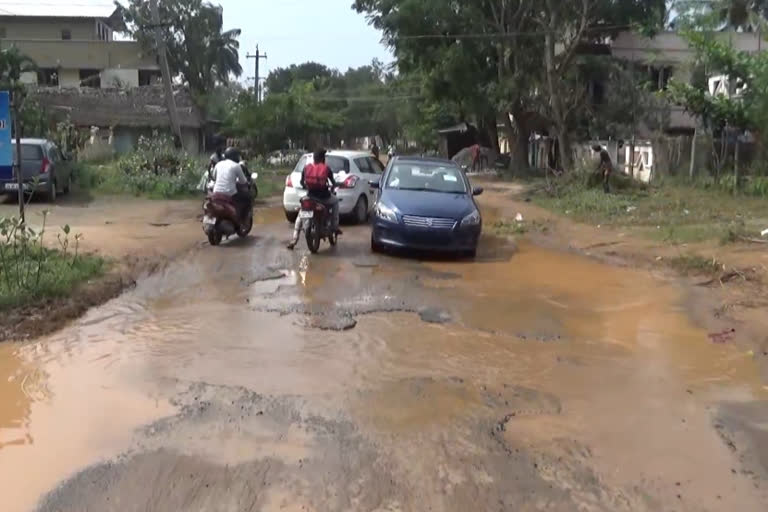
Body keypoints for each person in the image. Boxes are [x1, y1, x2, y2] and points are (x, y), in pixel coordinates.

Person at [287, 148, 341, 250]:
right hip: (324, 198)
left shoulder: (306, 168)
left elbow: (302, 182)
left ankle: (294, 240)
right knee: (335, 202)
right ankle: (335, 227)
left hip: (310, 197)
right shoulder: (326, 169)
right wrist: (334, 185)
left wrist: (307, 186)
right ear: (322, 159)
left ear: (314, 159)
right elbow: (333, 183)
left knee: (301, 214)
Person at [211, 147, 250, 219]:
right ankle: (241, 218)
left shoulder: (218, 164)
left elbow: (214, 177)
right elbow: (243, 182)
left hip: (215, 193)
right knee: (246, 198)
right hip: (229, 195)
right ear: (234, 156)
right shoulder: (236, 165)